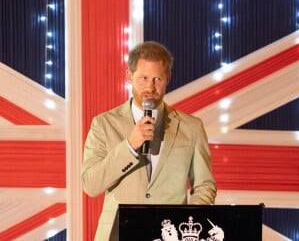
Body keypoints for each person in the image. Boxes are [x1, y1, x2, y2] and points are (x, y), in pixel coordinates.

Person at [81, 41, 217, 241]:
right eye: (143, 78)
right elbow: (90, 184)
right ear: (129, 76)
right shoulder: (104, 124)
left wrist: (187, 222)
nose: (150, 87)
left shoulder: (192, 127)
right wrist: (129, 146)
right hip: (118, 234)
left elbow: (205, 185)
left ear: (168, 78)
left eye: (157, 79)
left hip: (170, 234)